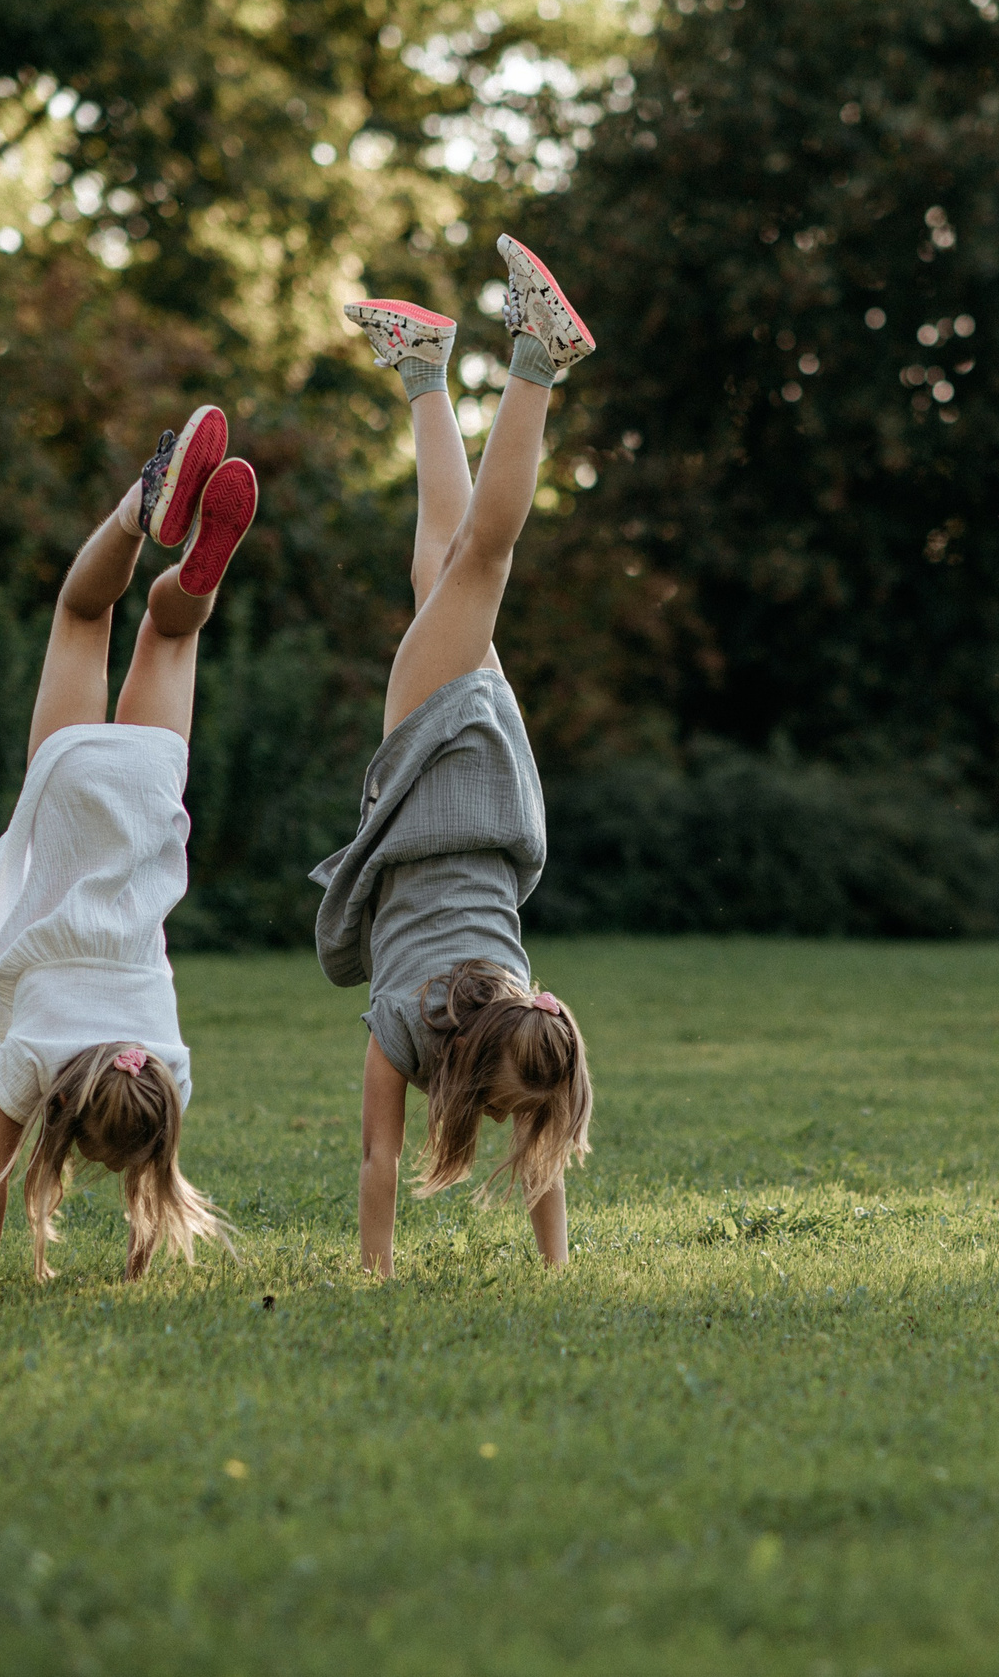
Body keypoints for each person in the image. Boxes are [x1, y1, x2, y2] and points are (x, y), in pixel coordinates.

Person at [0, 405, 255, 1288]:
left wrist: (135, 1273)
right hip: (69, 786)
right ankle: (141, 505)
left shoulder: (169, 1074)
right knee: (83, 613)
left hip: (152, 800)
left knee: (170, 632)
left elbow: (150, 1176)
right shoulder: (35, 1062)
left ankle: (186, 568)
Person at [312, 236, 599, 1277]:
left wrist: (556, 1269)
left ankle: (424, 367)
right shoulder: (402, 1018)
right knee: (481, 555)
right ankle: (538, 355)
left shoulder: (518, 1004)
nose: (505, 1121)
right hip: (441, 778)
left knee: (439, 561)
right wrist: (373, 1270)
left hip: (484, 786)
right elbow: (378, 1159)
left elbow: (539, 1162)